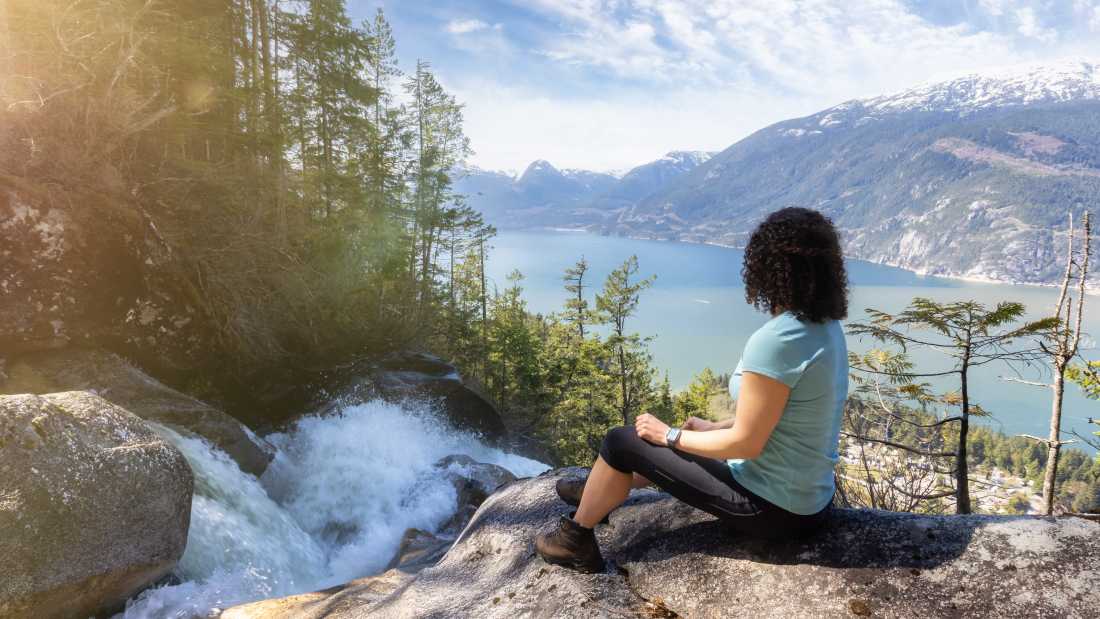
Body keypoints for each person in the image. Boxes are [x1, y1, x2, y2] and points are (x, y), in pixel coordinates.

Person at [535, 206, 851, 573]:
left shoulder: (778, 340)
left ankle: (574, 540)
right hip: (810, 502)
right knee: (666, 442)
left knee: (620, 442)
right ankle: (599, 490)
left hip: (771, 510)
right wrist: (714, 428)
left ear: (768, 268)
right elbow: (780, 416)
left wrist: (668, 435)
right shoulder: (825, 328)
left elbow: (747, 444)